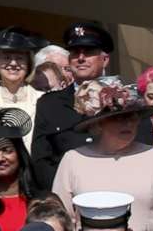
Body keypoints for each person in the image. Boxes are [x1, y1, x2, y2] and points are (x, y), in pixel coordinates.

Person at [55, 82, 153, 231]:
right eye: (118, 118)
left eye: (131, 117)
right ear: (98, 123)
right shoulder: (74, 159)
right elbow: (62, 221)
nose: (127, 124)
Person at [28, 20, 120, 186]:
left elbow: (141, 150)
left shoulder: (123, 99)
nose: (81, 58)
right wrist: (61, 198)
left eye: (89, 51)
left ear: (105, 59)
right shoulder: (50, 104)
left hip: (117, 192)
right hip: (67, 197)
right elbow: (42, 159)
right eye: (75, 52)